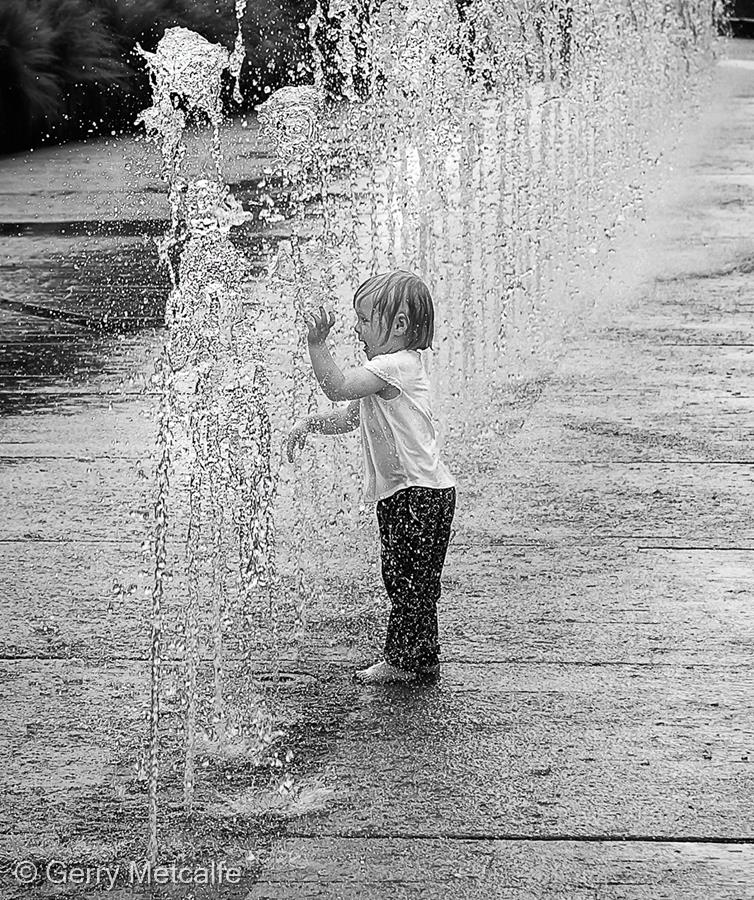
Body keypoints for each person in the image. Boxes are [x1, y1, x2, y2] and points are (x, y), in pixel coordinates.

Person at [286, 271, 456, 684]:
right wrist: (311, 425)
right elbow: (349, 415)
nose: (357, 329)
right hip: (421, 494)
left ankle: (404, 661)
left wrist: (317, 346)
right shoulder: (392, 372)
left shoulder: (394, 365)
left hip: (416, 496)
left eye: (364, 320)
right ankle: (419, 656)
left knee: (406, 582)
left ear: (398, 325)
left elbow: (339, 387)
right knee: (411, 582)